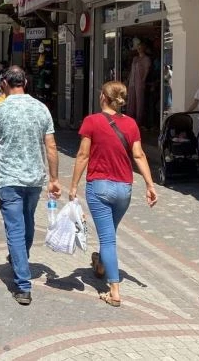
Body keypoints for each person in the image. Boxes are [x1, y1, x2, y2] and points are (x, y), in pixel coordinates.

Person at [68, 81, 158, 307]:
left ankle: (114, 290)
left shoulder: (92, 121)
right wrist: (150, 184)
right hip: (124, 189)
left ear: (103, 98)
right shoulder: (131, 124)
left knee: (108, 238)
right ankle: (100, 265)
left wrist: (73, 186)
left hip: (99, 187)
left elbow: (82, 155)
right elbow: (138, 156)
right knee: (110, 232)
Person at [0, 66, 61, 305]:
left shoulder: (0, 109)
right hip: (35, 178)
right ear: (25, 81)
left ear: (4, 83)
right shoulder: (41, 108)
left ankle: (23, 285)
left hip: (9, 179)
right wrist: (54, 178)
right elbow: (52, 146)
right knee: (27, 223)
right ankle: (20, 259)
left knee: (15, 228)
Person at [126, 40, 150, 126]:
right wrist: (128, 79)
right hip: (132, 80)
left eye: (141, 47)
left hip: (139, 81)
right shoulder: (135, 58)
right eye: (138, 47)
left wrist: (143, 80)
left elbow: (147, 70)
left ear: (144, 48)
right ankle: (130, 118)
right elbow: (132, 70)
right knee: (131, 100)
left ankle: (138, 121)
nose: (139, 49)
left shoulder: (146, 59)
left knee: (139, 101)